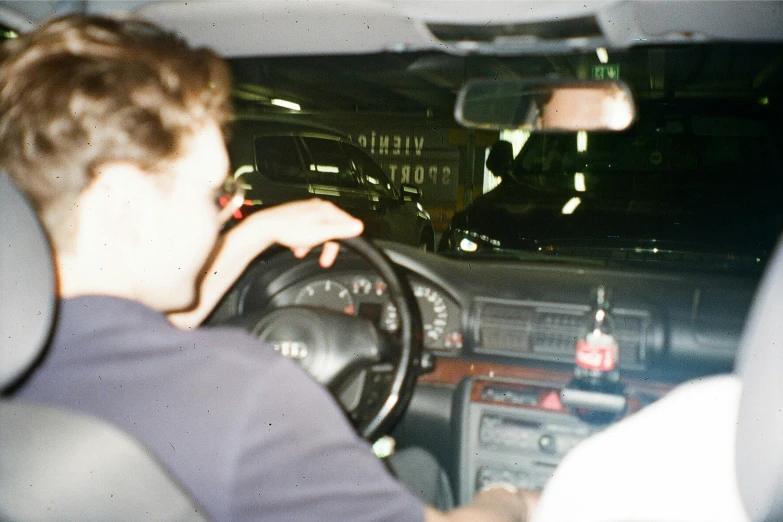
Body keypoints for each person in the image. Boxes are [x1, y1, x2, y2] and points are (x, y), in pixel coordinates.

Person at [1, 15, 537, 522]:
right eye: (215, 194)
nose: (224, 215)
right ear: (122, 205)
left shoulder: (27, 348)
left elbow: (134, 329)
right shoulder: (241, 392)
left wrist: (256, 233)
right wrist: (510, 500)